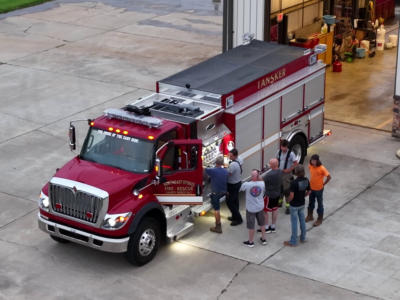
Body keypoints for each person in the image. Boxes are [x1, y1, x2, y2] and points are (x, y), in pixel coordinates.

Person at [284, 165, 311, 247]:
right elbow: (309, 191)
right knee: (302, 221)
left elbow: (291, 195)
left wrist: (288, 200)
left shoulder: (294, 183)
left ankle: (293, 241)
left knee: (294, 223)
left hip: (294, 205)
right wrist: (304, 195)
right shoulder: (306, 180)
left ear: (296, 173)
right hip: (302, 204)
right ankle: (303, 238)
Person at [240, 170, 267, 247]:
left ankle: (251, 242)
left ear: (251, 176)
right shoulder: (262, 184)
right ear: (258, 176)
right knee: (262, 223)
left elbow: (241, 189)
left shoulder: (247, 184)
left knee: (251, 225)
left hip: (251, 209)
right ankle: (264, 239)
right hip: (260, 207)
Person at [306, 154, 331, 227]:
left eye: (314, 160)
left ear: (317, 161)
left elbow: (329, 177)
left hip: (319, 189)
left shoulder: (322, 168)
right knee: (311, 202)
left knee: (320, 204)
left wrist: (324, 184)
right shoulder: (310, 166)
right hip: (311, 188)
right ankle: (310, 216)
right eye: (311, 160)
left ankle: (320, 219)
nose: (312, 161)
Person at [205, 156, 228, 233]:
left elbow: (203, 169)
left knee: (216, 210)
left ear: (216, 162)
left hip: (216, 193)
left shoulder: (213, 170)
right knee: (214, 202)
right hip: (223, 192)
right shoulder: (225, 171)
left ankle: (218, 227)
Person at [276, 139, 298, 215]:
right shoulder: (278, 152)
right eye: (282, 147)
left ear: (287, 146)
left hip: (287, 175)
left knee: (287, 191)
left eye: (284, 147)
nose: (283, 149)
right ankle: (280, 202)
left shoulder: (291, 154)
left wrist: (289, 170)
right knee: (280, 189)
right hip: (279, 173)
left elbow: (295, 163)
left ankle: (288, 206)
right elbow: (277, 161)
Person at [262, 158, 282, 233]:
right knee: (275, 209)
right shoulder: (280, 171)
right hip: (277, 194)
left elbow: (262, 180)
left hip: (269, 195)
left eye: (270, 164)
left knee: (264, 211)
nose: (269, 164)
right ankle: (273, 226)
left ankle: (266, 227)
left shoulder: (269, 175)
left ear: (272, 165)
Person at [226, 148, 243, 226]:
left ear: (235, 156)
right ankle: (234, 216)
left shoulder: (233, 164)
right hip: (237, 183)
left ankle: (239, 219)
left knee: (229, 202)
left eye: (231, 156)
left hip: (233, 185)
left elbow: (227, 174)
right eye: (229, 155)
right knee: (235, 201)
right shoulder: (239, 160)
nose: (229, 157)